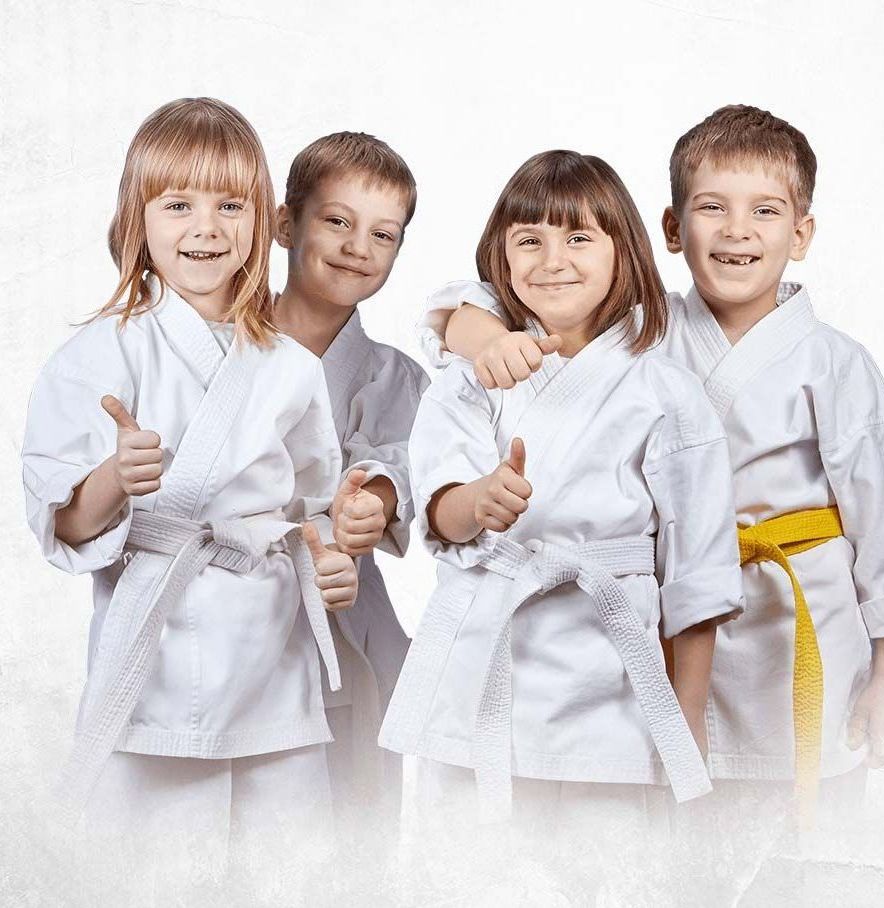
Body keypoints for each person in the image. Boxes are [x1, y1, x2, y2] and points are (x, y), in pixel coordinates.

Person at [419, 106, 884, 828]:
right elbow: (495, 292)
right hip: (660, 630)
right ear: (670, 230)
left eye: (764, 210)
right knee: (670, 839)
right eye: (710, 209)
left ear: (801, 233)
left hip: (795, 619)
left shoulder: (836, 363)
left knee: (801, 825)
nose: (736, 231)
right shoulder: (636, 330)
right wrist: (474, 331)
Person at [379, 149, 743, 899]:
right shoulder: (467, 381)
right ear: (499, 258)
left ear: (624, 252)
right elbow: (441, 510)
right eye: (529, 239)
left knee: (610, 881)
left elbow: (697, 575)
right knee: (466, 882)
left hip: (610, 696)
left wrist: (688, 723)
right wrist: (478, 500)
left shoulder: (665, 392)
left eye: (579, 238)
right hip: (479, 672)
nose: (553, 260)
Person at [21, 99, 357, 868]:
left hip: (272, 660)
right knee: (145, 875)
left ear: (261, 220)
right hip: (155, 660)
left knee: (291, 872)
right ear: (138, 218)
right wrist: (115, 477)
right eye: (179, 204)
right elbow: (65, 528)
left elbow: (310, 509)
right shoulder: (103, 353)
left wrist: (329, 557)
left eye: (229, 205)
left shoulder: (291, 368)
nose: (206, 227)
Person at [273, 132, 429, 822]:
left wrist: (375, 498)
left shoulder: (396, 377)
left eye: (383, 234)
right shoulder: (212, 345)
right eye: (336, 220)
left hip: (346, 618)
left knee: (348, 842)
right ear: (286, 223)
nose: (357, 247)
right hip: (221, 612)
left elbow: (403, 466)